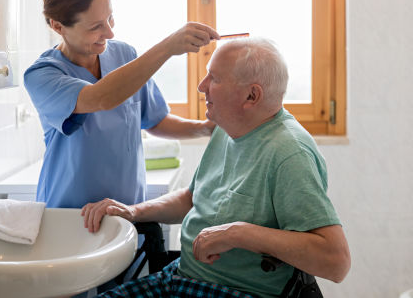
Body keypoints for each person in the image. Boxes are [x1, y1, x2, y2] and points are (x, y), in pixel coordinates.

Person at [82, 38, 351, 298]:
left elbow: (336, 262)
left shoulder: (289, 153)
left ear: (251, 95)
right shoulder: (228, 127)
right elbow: (192, 198)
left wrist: (238, 233)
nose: (202, 86)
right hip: (181, 278)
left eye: (215, 79)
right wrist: (134, 211)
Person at [24, 0, 219, 209]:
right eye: (96, 26)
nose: (109, 32)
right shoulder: (43, 75)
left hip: (127, 211)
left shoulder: (125, 55)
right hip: (70, 216)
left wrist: (205, 129)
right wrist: (168, 47)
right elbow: (100, 98)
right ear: (58, 26)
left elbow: (154, 120)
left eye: (110, 19)